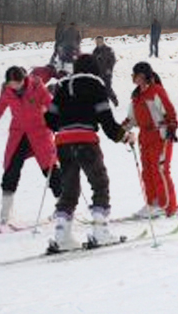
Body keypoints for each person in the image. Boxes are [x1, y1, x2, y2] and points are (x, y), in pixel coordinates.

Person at [44, 54, 133, 252]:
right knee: (100, 183)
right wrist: (124, 136)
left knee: (69, 189)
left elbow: (49, 119)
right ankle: (100, 231)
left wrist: (66, 123)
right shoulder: (96, 85)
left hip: (63, 143)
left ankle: (62, 235)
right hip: (86, 141)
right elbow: (106, 120)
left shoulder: (62, 86)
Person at [0, 66, 61, 231]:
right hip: (19, 135)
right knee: (11, 168)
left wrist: (57, 122)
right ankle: (6, 212)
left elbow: (51, 105)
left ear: (24, 79)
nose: (14, 86)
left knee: (49, 168)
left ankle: (64, 204)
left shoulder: (37, 87)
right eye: (11, 83)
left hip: (39, 132)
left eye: (17, 83)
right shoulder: (8, 92)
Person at [121, 62, 178, 218]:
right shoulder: (137, 96)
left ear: (142, 75)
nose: (133, 77)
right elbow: (132, 118)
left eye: (135, 74)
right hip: (144, 137)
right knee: (147, 171)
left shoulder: (156, 91)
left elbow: (169, 111)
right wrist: (120, 131)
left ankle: (166, 205)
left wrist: (172, 127)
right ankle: (152, 202)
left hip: (160, 135)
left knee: (160, 170)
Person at [91, 36, 118, 107]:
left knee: (108, 88)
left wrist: (109, 69)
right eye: (97, 41)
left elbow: (112, 60)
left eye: (100, 41)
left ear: (103, 41)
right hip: (98, 73)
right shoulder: (95, 51)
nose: (98, 43)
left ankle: (114, 100)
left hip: (107, 73)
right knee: (98, 88)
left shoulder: (108, 49)